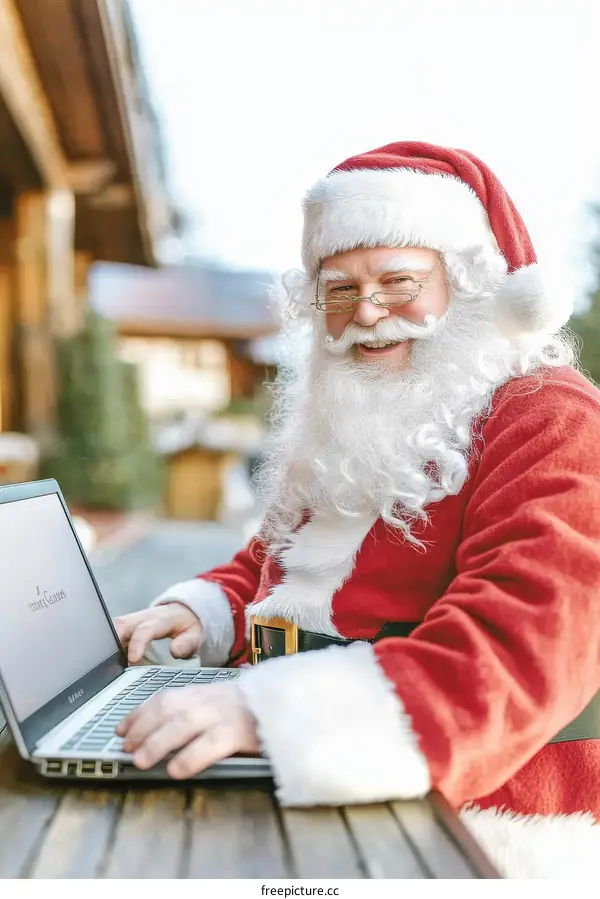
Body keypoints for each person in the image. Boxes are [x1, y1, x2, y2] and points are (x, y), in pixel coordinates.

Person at [114, 142, 600, 878]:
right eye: (339, 290)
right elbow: (278, 560)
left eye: (399, 282)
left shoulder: (550, 416)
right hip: (307, 775)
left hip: (480, 817)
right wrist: (211, 605)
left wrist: (273, 714)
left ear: (470, 288)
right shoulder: (347, 414)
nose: (367, 312)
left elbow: (535, 627)